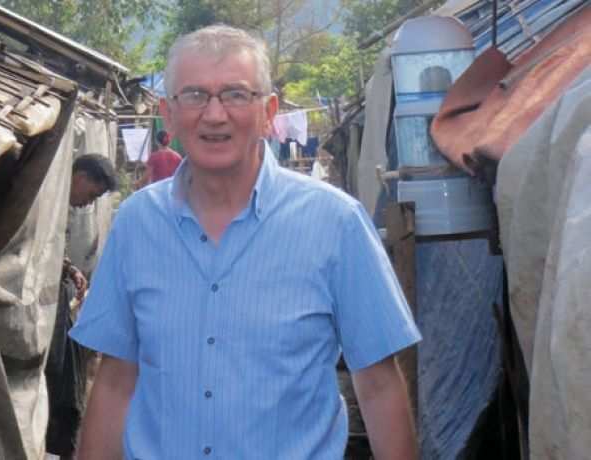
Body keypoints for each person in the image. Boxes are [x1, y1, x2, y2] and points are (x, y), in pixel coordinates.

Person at [69, 25, 421, 459]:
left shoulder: (335, 223)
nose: (215, 115)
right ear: (169, 113)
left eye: (236, 94)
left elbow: (379, 384)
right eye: (195, 95)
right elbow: (116, 379)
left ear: (268, 111)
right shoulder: (137, 224)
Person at [46, 153, 118, 458]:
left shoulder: (58, 204)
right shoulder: (46, 199)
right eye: (91, 195)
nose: (88, 204)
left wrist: (69, 268)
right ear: (80, 177)